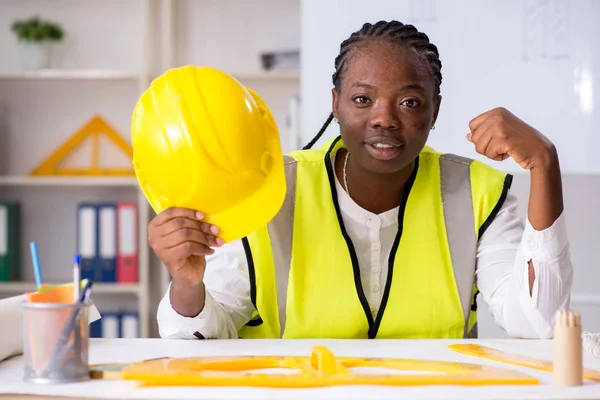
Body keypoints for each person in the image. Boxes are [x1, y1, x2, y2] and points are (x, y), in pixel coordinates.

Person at [151, 20, 572, 340]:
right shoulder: (273, 190)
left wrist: (544, 166)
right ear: (335, 104)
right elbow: (199, 339)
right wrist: (188, 285)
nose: (384, 118)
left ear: (435, 111)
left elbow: (536, 324)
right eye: (362, 99)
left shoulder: (479, 193)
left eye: (409, 101)